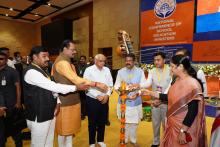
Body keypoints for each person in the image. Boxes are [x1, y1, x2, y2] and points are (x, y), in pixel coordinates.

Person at [23, 46, 88, 147]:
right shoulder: (31, 72)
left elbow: (51, 89)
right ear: (35, 57)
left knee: (49, 142)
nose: (48, 59)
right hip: (38, 115)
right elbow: (53, 86)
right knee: (38, 144)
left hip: (49, 111)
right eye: (44, 56)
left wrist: (57, 102)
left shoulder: (43, 70)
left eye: (48, 56)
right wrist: (76, 87)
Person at [142, 55, 207, 147]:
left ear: (180, 66)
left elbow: (193, 111)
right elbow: (169, 97)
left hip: (185, 127)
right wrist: (150, 93)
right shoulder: (177, 80)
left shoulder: (193, 84)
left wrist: (183, 131)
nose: (170, 69)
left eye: (172, 66)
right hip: (172, 124)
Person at [53, 40, 108, 147]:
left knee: (70, 131)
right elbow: (76, 79)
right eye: (72, 50)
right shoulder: (62, 63)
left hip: (72, 101)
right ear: (64, 49)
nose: (75, 52)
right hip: (65, 102)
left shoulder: (68, 62)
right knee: (63, 131)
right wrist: (96, 84)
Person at [114, 53, 146, 147]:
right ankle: (123, 139)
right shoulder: (120, 72)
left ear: (134, 61)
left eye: (130, 61)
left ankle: (133, 140)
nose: (128, 62)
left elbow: (143, 85)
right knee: (124, 122)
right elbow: (116, 85)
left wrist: (137, 94)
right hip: (124, 101)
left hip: (136, 101)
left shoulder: (140, 71)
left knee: (134, 122)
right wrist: (124, 94)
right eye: (126, 60)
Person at [141, 52, 171, 147]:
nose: (156, 62)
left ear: (164, 60)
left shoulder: (171, 70)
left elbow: (171, 87)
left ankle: (166, 142)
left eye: (158, 60)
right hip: (155, 102)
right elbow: (148, 83)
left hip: (166, 101)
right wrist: (139, 85)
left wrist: (161, 99)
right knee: (155, 123)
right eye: (154, 60)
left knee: (166, 124)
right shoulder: (152, 71)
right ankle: (156, 142)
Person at [83, 54, 113, 147]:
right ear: (95, 61)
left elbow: (110, 84)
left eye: (104, 61)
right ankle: (92, 142)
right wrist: (97, 96)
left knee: (102, 120)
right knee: (92, 122)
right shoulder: (89, 70)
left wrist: (107, 96)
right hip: (92, 99)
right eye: (100, 61)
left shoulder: (107, 70)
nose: (103, 63)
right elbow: (86, 86)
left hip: (105, 99)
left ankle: (100, 140)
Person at [0, 51, 23, 147]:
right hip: (1, 106)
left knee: (15, 130)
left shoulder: (12, 71)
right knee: (2, 132)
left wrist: (18, 102)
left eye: (1, 59)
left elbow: (18, 87)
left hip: (11, 105)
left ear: (6, 60)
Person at [76, 55, 88, 120]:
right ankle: (81, 113)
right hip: (79, 85)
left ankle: (84, 113)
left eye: (83, 59)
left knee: (85, 100)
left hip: (85, 85)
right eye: (81, 59)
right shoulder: (77, 66)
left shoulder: (88, 67)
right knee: (80, 100)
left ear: (85, 60)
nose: (81, 60)